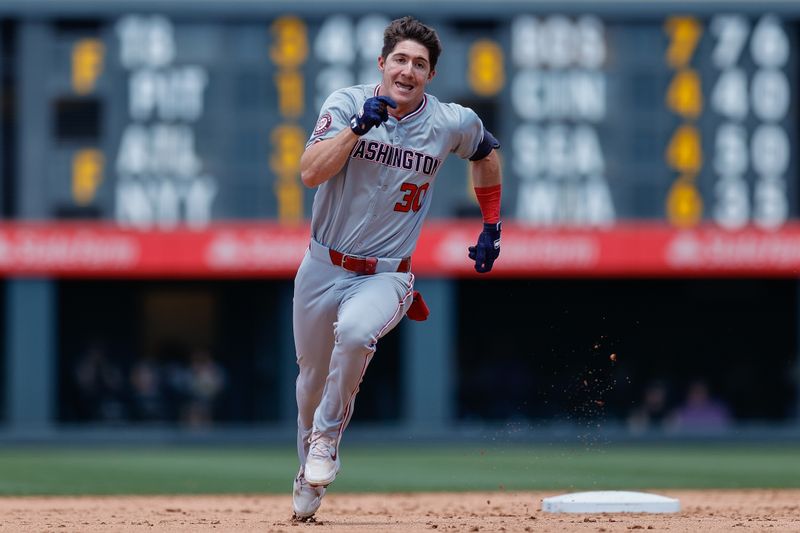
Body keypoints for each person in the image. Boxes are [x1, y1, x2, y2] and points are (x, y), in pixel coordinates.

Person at [290, 16, 503, 520]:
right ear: (382, 64)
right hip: (322, 265)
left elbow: (487, 153)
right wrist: (357, 129)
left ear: (430, 75)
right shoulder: (346, 103)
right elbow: (309, 172)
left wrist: (492, 223)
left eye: (420, 64)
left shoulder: (450, 121)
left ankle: (326, 441)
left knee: (359, 333)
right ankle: (309, 477)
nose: (408, 70)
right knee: (309, 384)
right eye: (401, 60)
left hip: (386, 272)